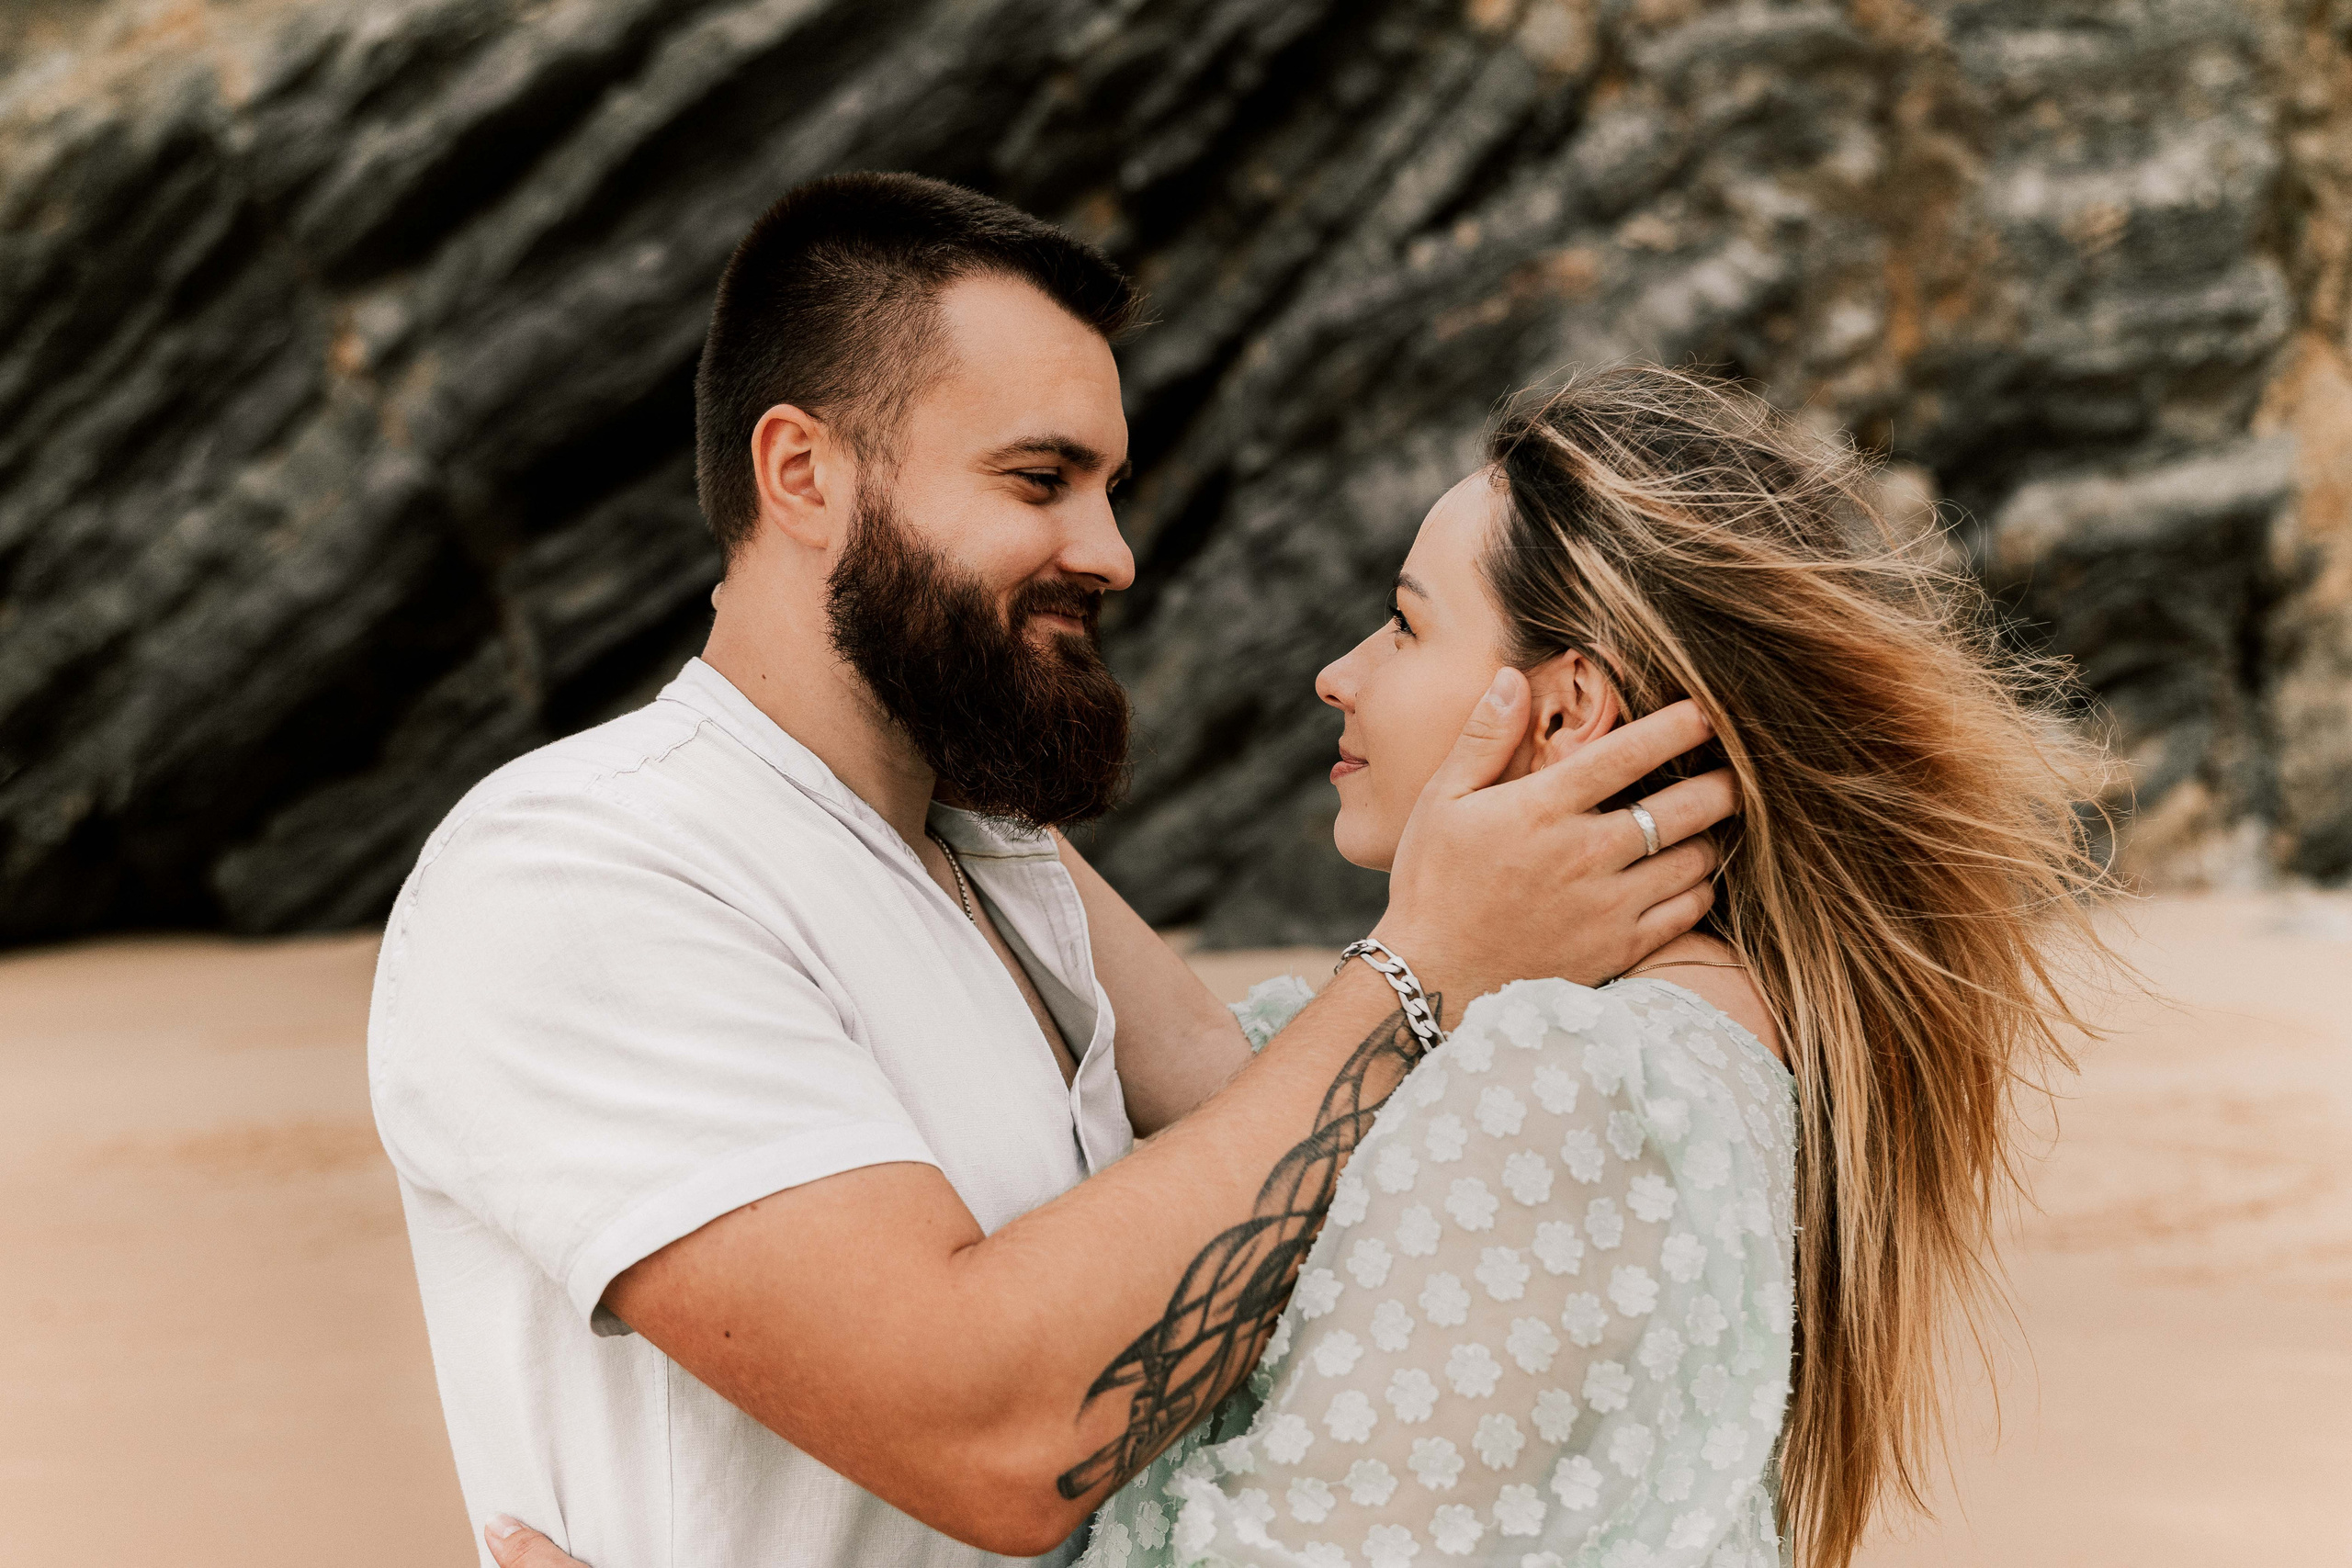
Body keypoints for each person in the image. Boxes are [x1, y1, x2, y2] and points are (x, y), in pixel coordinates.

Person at [482, 366, 2113, 1568]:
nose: (1341, 676)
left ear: (1564, 716)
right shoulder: (1648, 1042)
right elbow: (1247, 1093)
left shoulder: (1573, 1085)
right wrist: (918, 701)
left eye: (1406, 628)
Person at [370, 175, 1734, 1568]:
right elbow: (1006, 1440)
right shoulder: (588, 868)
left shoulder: (993, 856)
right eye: (1040, 480)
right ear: (804, 477)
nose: (1113, 554)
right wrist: (1421, 968)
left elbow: (1320, 1198)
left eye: (1109, 488)